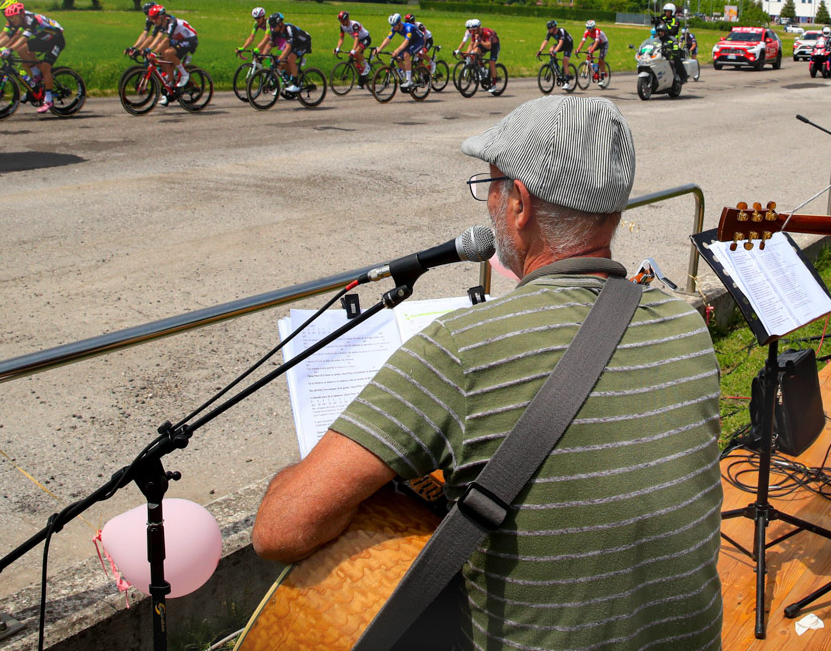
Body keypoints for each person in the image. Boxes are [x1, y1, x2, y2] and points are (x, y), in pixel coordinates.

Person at [252, 95, 724, 650]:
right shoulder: (685, 325)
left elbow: (280, 530)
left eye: (490, 184)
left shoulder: (460, 348)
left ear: (519, 203)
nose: (488, 202)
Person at [0, 1, 66, 114]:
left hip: (56, 39)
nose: (13, 21)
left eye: (14, 18)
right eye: (10, 18)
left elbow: (23, 38)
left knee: (45, 68)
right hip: (43, 39)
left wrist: (9, 49)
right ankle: (36, 76)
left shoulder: (31, 19)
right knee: (21, 50)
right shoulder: (17, 18)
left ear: (21, 15)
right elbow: (8, 35)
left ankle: (48, 100)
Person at [131, 4, 198, 106]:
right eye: (151, 18)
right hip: (178, 40)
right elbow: (155, 38)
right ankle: (170, 88)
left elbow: (166, 40)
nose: (153, 20)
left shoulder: (171, 22)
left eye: (155, 18)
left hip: (190, 39)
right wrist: (146, 50)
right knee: (164, 58)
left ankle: (184, 74)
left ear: (162, 16)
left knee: (168, 52)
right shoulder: (160, 23)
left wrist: (152, 52)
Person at [375, 13, 426, 92]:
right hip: (411, 41)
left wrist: (397, 50)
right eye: (392, 25)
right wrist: (379, 48)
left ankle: (409, 80)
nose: (393, 27)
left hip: (420, 41)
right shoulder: (394, 28)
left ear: (399, 23)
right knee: (398, 58)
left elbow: (406, 42)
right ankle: (407, 74)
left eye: (394, 25)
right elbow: (388, 39)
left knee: (406, 54)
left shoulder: (409, 28)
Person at [265, 13, 311, 93]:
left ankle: (296, 84)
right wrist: (263, 55)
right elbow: (270, 44)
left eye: (274, 26)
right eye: (271, 26)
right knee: (280, 61)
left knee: (290, 58)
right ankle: (289, 79)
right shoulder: (275, 31)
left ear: (280, 23)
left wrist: (280, 59)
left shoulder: (289, 29)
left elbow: (288, 47)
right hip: (295, 44)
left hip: (304, 43)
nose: (273, 28)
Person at [454, 18, 502, 93]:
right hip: (483, 43)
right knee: (474, 53)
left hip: (494, 45)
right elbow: (471, 44)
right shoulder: (474, 33)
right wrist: (468, 53)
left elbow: (489, 46)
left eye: (474, 30)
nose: (472, 32)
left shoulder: (486, 32)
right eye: (471, 30)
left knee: (492, 63)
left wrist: (479, 40)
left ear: (479, 28)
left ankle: (494, 84)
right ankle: (482, 71)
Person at [335, 10, 374, 83]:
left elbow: (356, 37)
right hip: (359, 41)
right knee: (356, 61)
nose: (341, 23)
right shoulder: (342, 27)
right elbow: (341, 38)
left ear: (347, 19)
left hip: (366, 38)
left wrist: (353, 50)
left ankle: (367, 66)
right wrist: (337, 48)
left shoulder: (354, 25)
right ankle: (362, 80)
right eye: (340, 21)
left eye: (343, 21)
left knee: (356, 52)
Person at [536, 19, 575, 90]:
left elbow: (560, 42)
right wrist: (540, 51)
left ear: (554, 27)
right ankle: (556, 67)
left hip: (568, 45)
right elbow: (545, 42)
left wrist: (555, 51)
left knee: (565, 61)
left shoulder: (561, 31)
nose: (548, 30)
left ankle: (567, 82)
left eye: (550, 28)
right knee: (551, 50)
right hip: (561, 44)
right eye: (548, 29)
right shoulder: (549, 32)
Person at [576, 20, 610, 84]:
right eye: (587, 27)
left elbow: (597, 42)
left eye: (590, 28)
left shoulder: (597, 31)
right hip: (597, 42)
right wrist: (578, 49)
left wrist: (592, 50)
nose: (588, 29)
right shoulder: (586, 32)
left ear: (593, 27)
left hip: (604, 43)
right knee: (588, 49)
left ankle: (602, 78)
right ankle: (592, 64)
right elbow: (583, 41)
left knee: (601, 59)